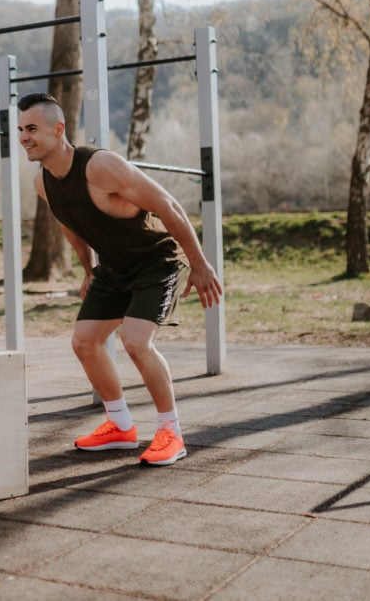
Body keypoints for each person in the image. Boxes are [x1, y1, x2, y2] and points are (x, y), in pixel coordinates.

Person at [16, 92, 223, 465]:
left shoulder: (100, 167)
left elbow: (167, 204)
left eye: (31, 128)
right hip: (113, 268)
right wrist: (88, 271)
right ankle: (121, 426)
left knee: (135, 341)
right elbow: (72, 227)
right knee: (84, 341)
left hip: (157, 262)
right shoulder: (43, 183)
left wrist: (200, 263)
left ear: (58, 129)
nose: (23, 137)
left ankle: (171, 432)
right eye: (20, 129)